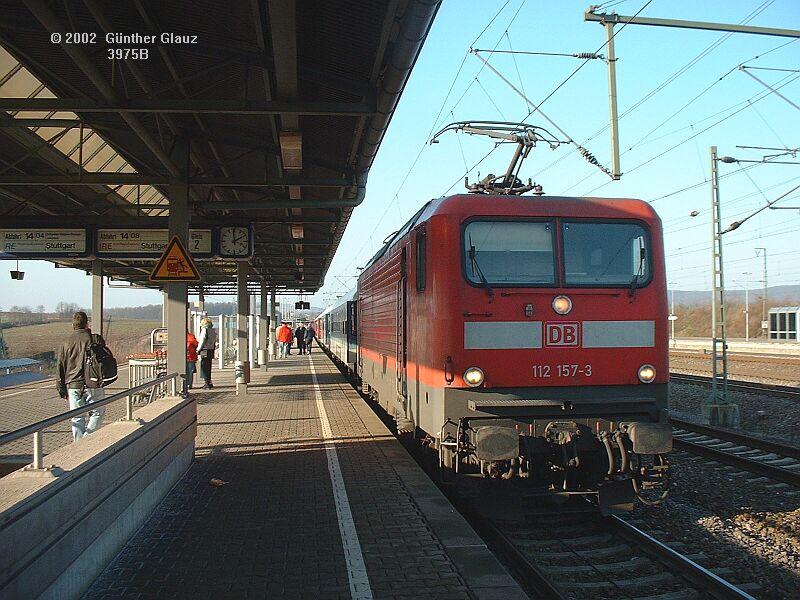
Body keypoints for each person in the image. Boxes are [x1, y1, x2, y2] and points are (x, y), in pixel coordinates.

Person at [56, 311, 106, 441]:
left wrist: (61, 389)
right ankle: (86, 440)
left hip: (73, 385)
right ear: (86, 324)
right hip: (92, 382)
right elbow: (103, 358)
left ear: (73, 325)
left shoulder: (65, 343)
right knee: (97, 413)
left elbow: (60, 367)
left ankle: (79, 446)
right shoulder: (94, 339)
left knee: (77, 417)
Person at [196, 318, 217, 389]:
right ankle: (209, 382)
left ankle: (206, 383)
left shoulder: (205, 330)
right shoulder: (212, 330)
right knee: (209, 366)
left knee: (204, 366)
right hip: (211, 350)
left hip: (204, 350)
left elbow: (202, 340)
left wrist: (198, 349)